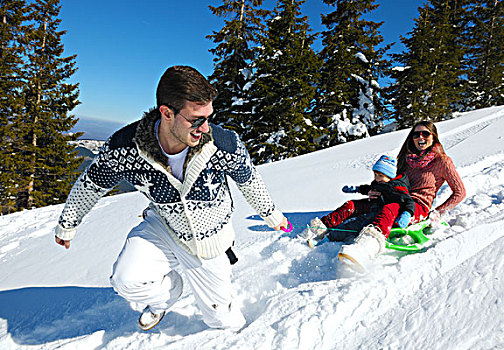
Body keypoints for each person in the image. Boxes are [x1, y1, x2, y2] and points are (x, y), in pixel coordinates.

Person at [54, 65, 288, 331]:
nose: (205, 127)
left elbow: (249, 179)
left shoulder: (222, 144)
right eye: (196, 119)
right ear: (166, 113)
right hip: (164, 226)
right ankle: (166, 295)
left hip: (208, 239)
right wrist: (68, 223)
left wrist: (273, 216)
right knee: (125, 280)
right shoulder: (126, 147)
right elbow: (91, 184)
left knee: (224, 321)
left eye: (208, 117)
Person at [338, 121, 466, 271]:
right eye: (416, 134)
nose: (420, 137)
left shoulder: (443, 161)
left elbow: (460, 192)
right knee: (357, 206)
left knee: (390, 208)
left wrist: (438, 211)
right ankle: (327, 231)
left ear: (434, 137)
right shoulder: (407, 159)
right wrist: (376, 189)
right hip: (395, 196)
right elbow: (390, 178)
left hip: (417, 206)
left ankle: (365, 249)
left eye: (425, 133)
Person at [301, 155, 415, 247]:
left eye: (381, 175)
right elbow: (370, 189)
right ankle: (323, 225)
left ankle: (327, 239)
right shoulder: (380, 182)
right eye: (375, 175)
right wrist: (356, 189)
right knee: (350, 205)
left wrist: (406, 214)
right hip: (372, 206)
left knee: (355, 225)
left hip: (380, 214)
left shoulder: (397, 187)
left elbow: (408, 201)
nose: (377, 178)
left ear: (390, 176)